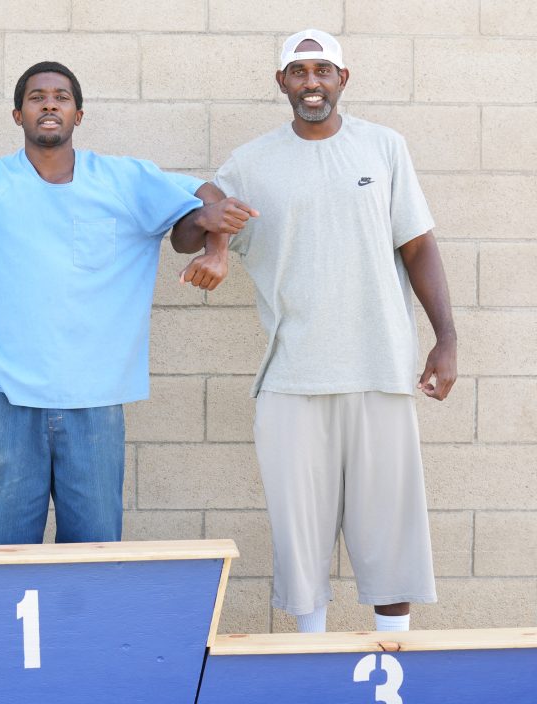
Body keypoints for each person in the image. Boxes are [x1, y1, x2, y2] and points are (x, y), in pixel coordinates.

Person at [0, 61, 255, 546]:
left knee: (93, 559)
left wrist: (216, 249)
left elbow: (204, 200)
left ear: (79, 114)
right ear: (17, 115)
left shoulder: (123, 180)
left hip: (95, 403)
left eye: (61, 96)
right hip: (6, 402)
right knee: (5, 558)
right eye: (36, 96)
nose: (49, 103)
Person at [214, 30, 457, 633]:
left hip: (381, 369)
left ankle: (393, 665)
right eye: (299, 72)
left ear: (343, 79)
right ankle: (312, 665)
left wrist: (446, 338)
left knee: (391, 535)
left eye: (323, 70)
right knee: (301, 539)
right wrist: (211, 234)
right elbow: (197, 219)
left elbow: (418, 244)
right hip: (292, 378)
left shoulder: (384, 147)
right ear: (282, 84)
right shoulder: (250, 162)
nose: (311, 82)